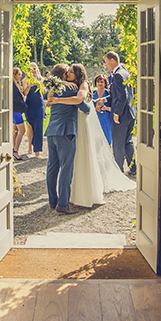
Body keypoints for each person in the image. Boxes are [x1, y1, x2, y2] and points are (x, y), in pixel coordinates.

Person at [60, 63, 135, 209]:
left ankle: (85, 194)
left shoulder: (83, 85)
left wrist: (57, 100)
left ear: (77, 73)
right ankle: (72, 193)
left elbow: (82, 104)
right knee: (74, 159)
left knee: (83, 156)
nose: (67, 74)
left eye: (70, 72)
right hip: (74, 125)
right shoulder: (70, 85)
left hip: (82, 125)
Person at [44, 64, 90, 214]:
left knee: (52, 167)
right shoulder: (72, 90)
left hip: (51, 131)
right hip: (66, 132)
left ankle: (52, 201)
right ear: (64, 76)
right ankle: (63, 204)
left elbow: (48, 95)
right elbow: (86, 108)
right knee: (66, 168)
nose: (69, 74)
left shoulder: (54, 89)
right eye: (68, 72)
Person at [102, 52, 136, 174]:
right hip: (131, 114)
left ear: (112, 60)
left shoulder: (117, 75)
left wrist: (116, 113)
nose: (105, 65)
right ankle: (133, 169)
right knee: (128, 142)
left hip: (121, 115)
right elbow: (117, 94)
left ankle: (118, 171)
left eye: (106, 62)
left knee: (118, 144)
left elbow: (122, 96)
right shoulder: (126, 73)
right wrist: (104, 99)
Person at [23, 62, 45, 158]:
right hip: (29, 105)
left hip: (39, 105)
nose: (33, 71)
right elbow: (24, 93)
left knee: (39, 127)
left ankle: (37, 151)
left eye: (35, 68)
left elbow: (44, 92)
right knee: (30, 127)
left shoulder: (41, 79)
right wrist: (29, 86)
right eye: (31, 69)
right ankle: (29, 146)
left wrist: (40, 84)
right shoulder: (25, 80)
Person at [12, 67, 27, 161]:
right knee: (22, 130)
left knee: (15, 131)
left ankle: (13, 148)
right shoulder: (12, 85)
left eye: (21, 74)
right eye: (19, 74)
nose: (20, 76)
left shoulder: (17, 84)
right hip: (15, 110)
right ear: (14, 74)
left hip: (17, 110)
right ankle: (15, 151)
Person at [92, 73, 112, 145]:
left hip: (106, 118)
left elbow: (114, 108)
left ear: (105, 83)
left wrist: (105, 108)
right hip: (95, 118)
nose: (99, 83)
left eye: (101, 82)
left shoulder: (108, 93)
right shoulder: (93, 93)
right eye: (98, 82)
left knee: (107, 139)